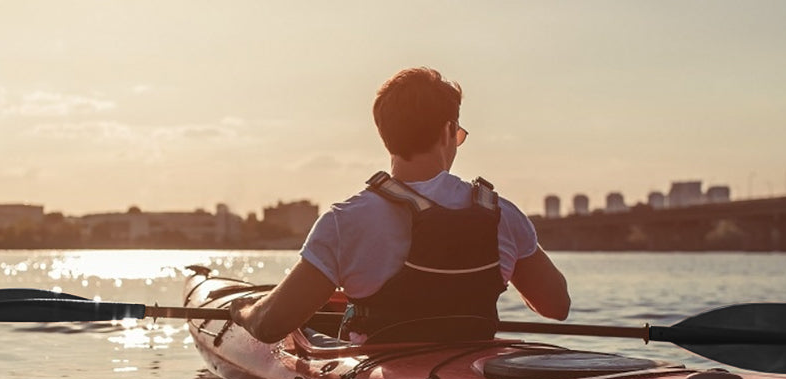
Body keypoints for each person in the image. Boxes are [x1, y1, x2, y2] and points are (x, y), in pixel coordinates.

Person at [230, 67, 569, 343]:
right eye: (459, 134)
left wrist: (242, 311)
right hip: (468, 369)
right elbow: (556, 306)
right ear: (448, 131)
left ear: (386, 135)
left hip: (379, 378)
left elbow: (269, 326)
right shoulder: (501, 214)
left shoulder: (345, 221)